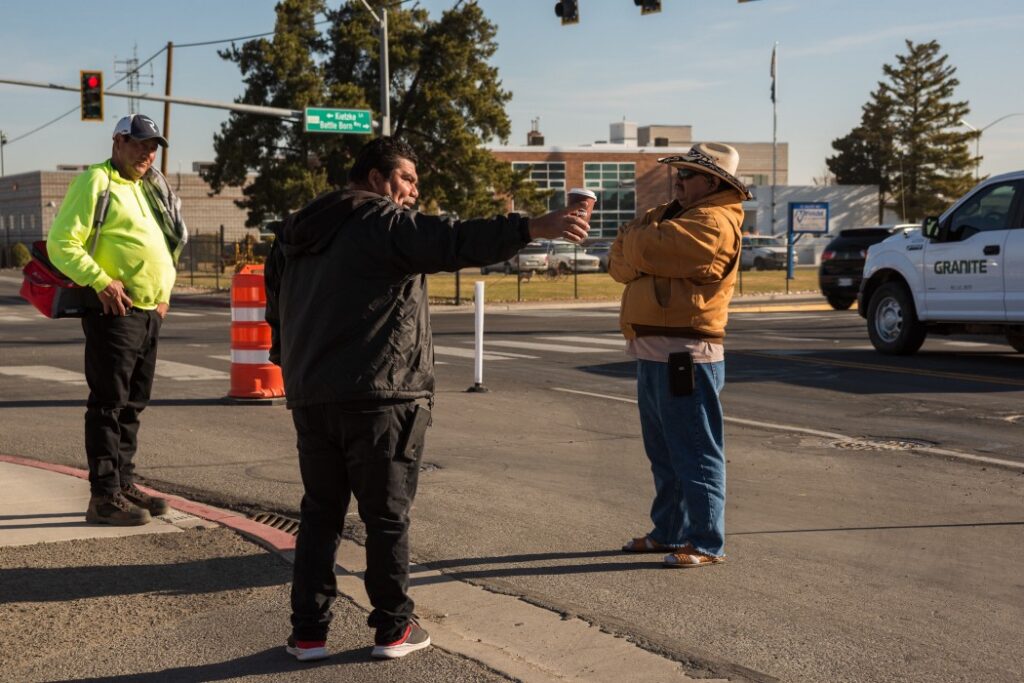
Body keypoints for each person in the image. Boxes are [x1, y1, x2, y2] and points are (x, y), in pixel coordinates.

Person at [266, 136, 590, 661]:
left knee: (320, 515)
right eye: (408, 179)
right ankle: (393, 629)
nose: (414, 191)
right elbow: (454, 240)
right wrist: (532, 227)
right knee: (386, 516)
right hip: (381, 396)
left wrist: (294, 365)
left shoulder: (296, 231)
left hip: (312, 397)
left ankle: (309, 634)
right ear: (375, 179)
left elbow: (275, 309)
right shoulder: (380, 222)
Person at [609, 142, 750, 568]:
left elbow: (644, 250)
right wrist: (640, 245)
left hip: (685, 354)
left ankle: (707, 541)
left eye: (687, 175)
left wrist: (637, 243)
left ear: (711, 181)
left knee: (694, 449)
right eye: (680, 174)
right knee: (664, 452)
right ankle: (668, 532)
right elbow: (619, 264)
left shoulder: (715, 221)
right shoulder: (671, 218)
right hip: (654, 351)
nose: (678, 181)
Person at [47, 114, 186, 526]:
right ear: (118, 141)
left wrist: (162, 296)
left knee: (132, 405)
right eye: (140, 143)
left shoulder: (147, 188)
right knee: (108, 405)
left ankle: (124, 483)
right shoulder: (96, 182)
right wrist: (102, 282)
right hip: (115, 311)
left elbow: (163, 244)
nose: (148, 152)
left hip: (147, 313)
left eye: (153, 145)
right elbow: (61, 244)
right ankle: (103, 497)